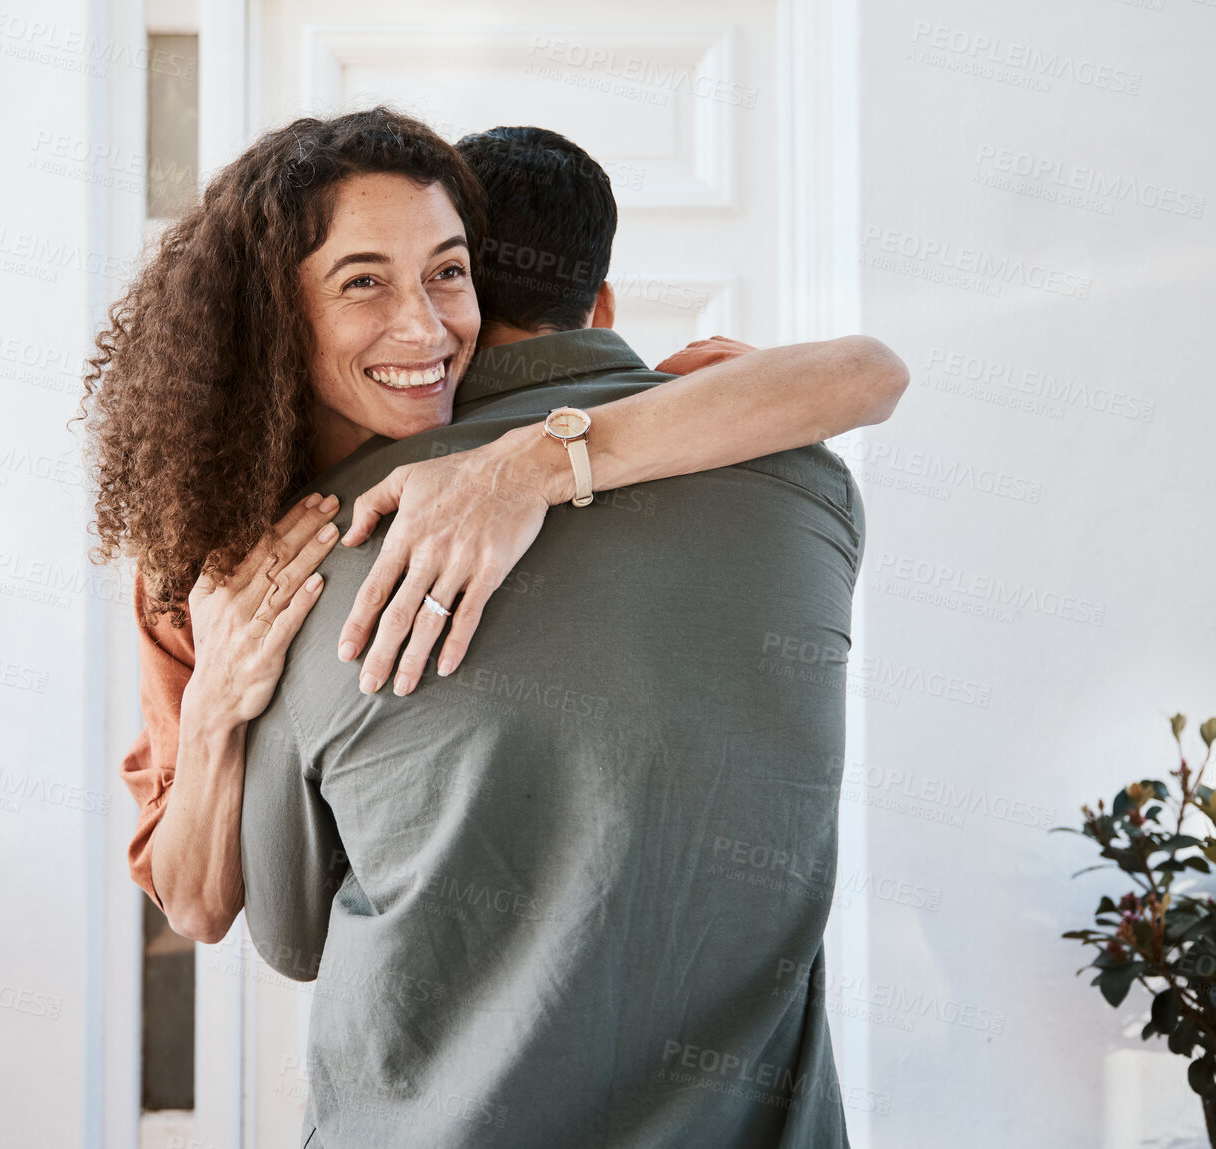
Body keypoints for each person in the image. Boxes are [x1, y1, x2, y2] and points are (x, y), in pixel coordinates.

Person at [80, 107, 906, 945]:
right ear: (274, 314)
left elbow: (871, 374)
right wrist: (218, 700)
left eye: (448, 271)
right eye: (363, 281)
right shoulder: (207, 551)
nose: (426, 328)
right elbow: (197, 906)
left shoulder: (571, 417)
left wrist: (529, 466)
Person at [238, 124, 869, 1147]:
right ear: (603, 303)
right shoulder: (810, 487)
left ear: (459, 303)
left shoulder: (318, 547)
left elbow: (283, 929)